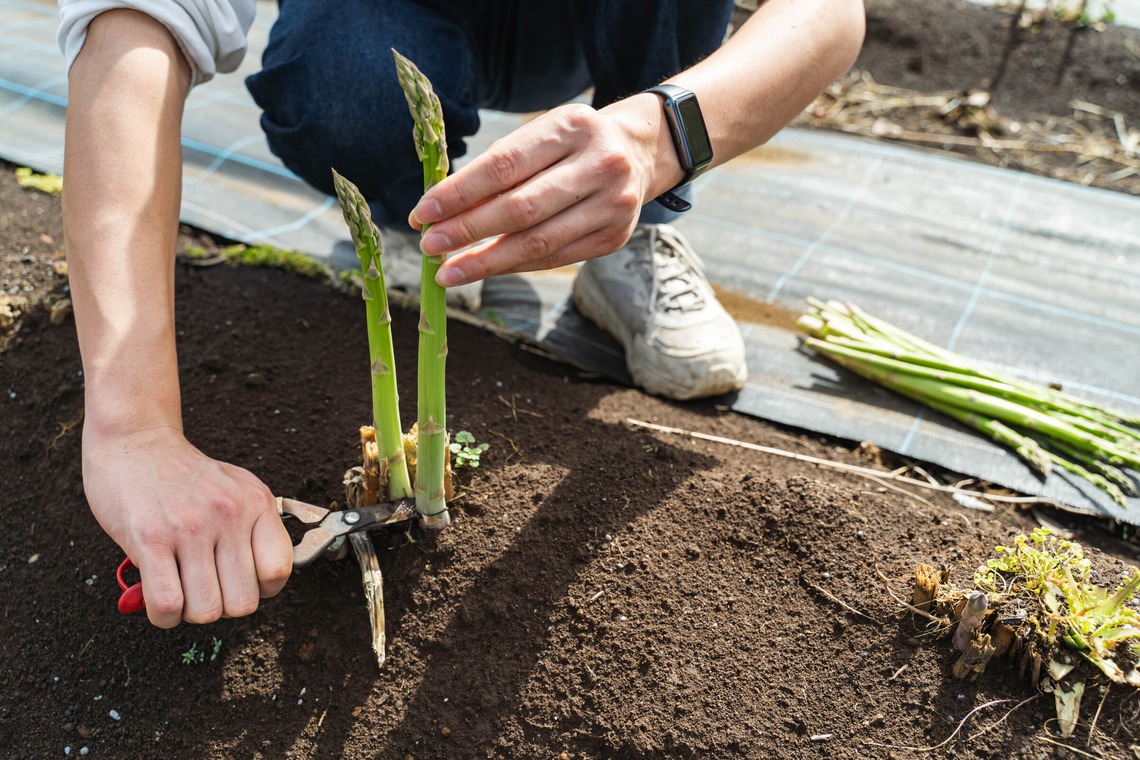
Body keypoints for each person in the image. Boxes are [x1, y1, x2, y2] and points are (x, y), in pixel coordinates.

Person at [56, 0, 865, 627]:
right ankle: (404, 215)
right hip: (388, 22)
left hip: (602, 30)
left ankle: (630, 234)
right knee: (342, 76)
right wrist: (133, 428)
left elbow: (832, 14)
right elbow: (131, 25)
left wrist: (659, 140)